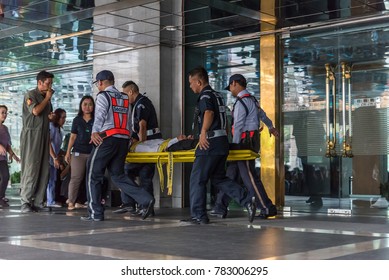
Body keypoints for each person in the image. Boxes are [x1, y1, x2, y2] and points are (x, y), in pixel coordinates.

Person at [182, 66, 256, 225]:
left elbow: (209, 113)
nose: (190, 86)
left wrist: (203, 133)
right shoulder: (218, 96)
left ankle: (198, 215)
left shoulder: (205, 96)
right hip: (221, 143)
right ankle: (247, 200)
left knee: (197, 179)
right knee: (219, 178)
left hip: (209, 143)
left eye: (191, 82)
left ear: (199, 81)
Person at [81, 70, 154, 221]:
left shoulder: (103, 96)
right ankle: (145, 199)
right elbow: (128, 121)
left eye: (97, 83)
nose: (97, 86)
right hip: (122, 141)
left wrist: (94, 132)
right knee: (118, 175)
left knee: (93, 174)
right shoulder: (124, 97)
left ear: (100, 82)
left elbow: (100, 115)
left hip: (106, 139)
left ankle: (95, 213)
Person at [210, 74, 279, 219]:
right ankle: (220, 207)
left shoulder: (241, 102)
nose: (230, 90)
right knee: (230, 174)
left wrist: (234, 145)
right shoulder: (252, 100)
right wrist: (271, 127)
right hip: (251, 141)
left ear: (234, 83)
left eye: (230, 87)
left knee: (249, 177)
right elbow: (263, 115)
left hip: (243, 143)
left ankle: (267, 208)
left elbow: (238, 126)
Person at [113, 81, 161, 216]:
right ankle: (140, 206)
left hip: (148, 144)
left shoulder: (141, 103)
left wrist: (140, 144)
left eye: (125, 94)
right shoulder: (137, 104)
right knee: (140, 175)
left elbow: (142, 126)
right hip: (148, 143)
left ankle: (135, 205)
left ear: (131, 92)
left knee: (132, 172)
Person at [20, 70, 56, 213]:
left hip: (44, 134)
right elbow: (35, 111)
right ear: (40, 82)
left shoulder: (46, 97)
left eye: (51, 83)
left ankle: (39, 201)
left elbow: (46, 115)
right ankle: (26, 201)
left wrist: (51, 117)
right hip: (31, 134)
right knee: (31, 167)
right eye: (48, 83)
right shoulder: (31, 95)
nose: (50, 86)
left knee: (44, 169)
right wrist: (47, 98)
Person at [65, 96, 95, 210]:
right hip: (78, 152)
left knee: (91, 178)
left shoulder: (97, 119)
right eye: (85, 104)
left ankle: (90, 201)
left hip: (92, 152)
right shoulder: (77, 120)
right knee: (76, 177)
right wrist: (68, 152)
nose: (87, 107)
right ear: (81, 106)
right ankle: (71, 202)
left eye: (90, 104)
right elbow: (72, 137)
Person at [0, 105, 20, 207]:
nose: (4, 115)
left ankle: (1, 197)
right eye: (2, 112)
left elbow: (7, 145)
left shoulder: (5, 128)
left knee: (6, 177)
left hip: (2, 158)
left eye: (6, 113)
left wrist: (13, 155)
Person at [46, 108, 67, 207]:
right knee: (50, 180)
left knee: (54, 179)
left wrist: (65, 153)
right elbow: (48, 143)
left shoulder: (59, 130)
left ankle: (52, 199)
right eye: (62, 117)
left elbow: (57, 147)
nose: (64, 120)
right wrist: (54, 157)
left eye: (65, 118)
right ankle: (50, 201)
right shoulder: (52, 127)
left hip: (55, 158)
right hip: (50, 158)